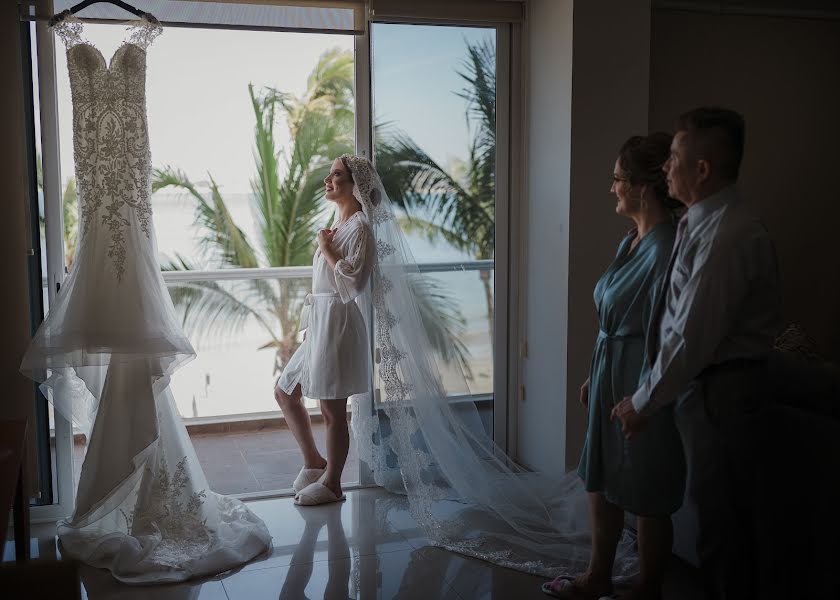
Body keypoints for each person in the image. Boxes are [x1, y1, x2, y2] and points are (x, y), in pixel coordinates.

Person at [611, 108, 782, 600]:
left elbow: (691, 334)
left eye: (675, 159)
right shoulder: (698, 222)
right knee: (716, 518)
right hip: (705, 387)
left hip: (725, 391)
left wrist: (642, 401)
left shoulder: (728, 236)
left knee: (723, 528)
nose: (666, 169)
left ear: (702, 169)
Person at [543, 134, 685, 600]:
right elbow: (614, 311)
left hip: (641, 374)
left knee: (646, 485)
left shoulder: (665, 248)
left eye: (618, 179)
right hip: (610, 366)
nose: (612, 189)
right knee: (600, 475)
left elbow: (667, 330)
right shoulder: (632, 240)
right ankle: (597, 573)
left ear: (644, 186)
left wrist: (644, 392)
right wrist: (594, 372)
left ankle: (648, 587)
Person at [274, 156, 375, 506]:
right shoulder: (338, 222)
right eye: (329, 175)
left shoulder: (361, 227)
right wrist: (310, 327)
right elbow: (324, 281)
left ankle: (333, 483)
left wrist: (327, 250)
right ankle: (314, 463)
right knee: (286, 392)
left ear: (355, 185)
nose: (327, 181)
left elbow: (353, 283)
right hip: (320, 322)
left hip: (339, 323)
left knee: (332, 411)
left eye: (336, 175)